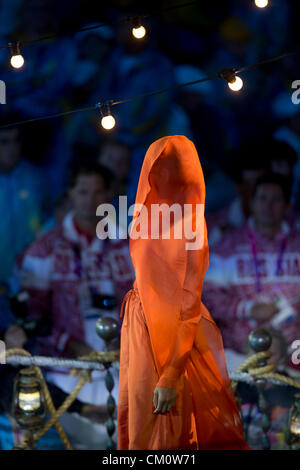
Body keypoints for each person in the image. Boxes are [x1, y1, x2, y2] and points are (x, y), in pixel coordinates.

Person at [117, 135, 250, 450]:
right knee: (142, 428)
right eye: (161, 167)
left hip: (175, 338)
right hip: (141, 330)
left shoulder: (192, 227)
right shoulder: (144, 215)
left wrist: (171, 373)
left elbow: (189, 303)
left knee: (168, 433)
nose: (168, 176)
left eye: (177, 168)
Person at [20, 161, 134, 407]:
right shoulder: (45, 248)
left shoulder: (128, 245)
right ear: (71, 193)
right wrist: (71, 344)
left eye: (98, 192)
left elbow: (146, 303)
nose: (90, 200)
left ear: (109, 194)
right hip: (66, 372)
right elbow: (32, 315)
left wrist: (128, 339)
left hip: (124, 365)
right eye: (83, 192)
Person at [203, 172, 300, 376]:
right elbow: (207, 297)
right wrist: (247, 309)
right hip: (240, 356)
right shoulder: (227, 245)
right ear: (252, 203)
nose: (268, 205)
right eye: (263, 198)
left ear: (287, 206)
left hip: (295, 354)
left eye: (276, 199)